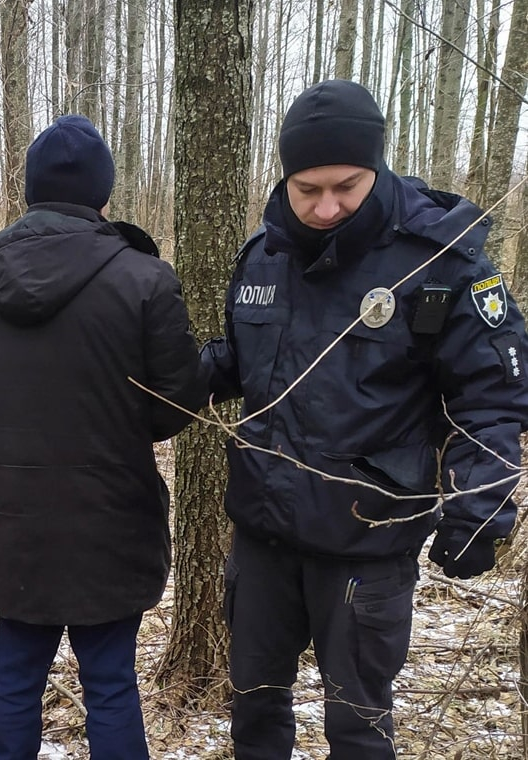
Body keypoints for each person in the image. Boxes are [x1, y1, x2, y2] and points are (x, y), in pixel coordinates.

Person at [203, 79, 528, 759]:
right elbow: (240, 363)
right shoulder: (264, 255)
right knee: (255, 713)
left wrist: (477, 512)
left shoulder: (440, 260)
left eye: (345, 187)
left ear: (376, 167)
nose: (325, 208)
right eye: (308, 189)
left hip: (365, 545)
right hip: (264, 534)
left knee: (357, 724)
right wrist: (157, 375)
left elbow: (491, 397)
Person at [0, 115, 205, 759]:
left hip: (12, 520)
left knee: (17, 679)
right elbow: (174, 407)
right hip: (111, 519)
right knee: (111, 684)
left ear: (30, 192)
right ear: (103, 195)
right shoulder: (144, 278)